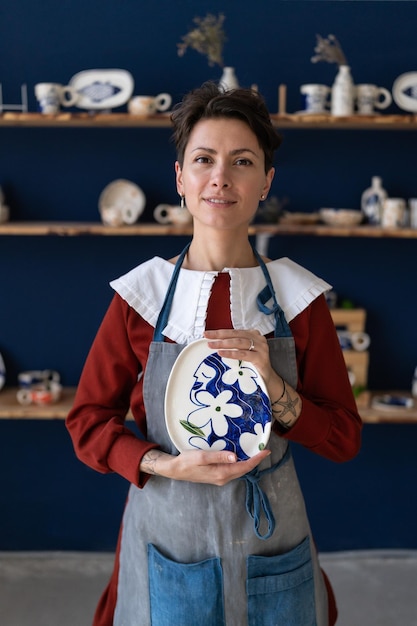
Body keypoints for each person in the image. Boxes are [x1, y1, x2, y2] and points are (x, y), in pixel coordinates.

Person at [66, 82, 362, 626]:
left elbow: (344, 437)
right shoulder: (141, 295)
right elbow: (87, 422)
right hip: (166, 542)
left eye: (242, 161)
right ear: (181, 178)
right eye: (203, 159)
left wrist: (276, 390)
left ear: (266, 181)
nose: (221, 177)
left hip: (273, 544)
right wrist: (163, 463)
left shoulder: (299, 299)